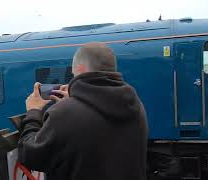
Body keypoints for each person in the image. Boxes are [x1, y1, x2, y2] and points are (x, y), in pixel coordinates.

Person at [18, 42, 148, 180]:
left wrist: (33, 112)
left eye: (73, 74)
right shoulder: (135, 105)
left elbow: (31, 156)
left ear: (80, 69)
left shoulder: (64, 113)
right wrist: (76, 101)